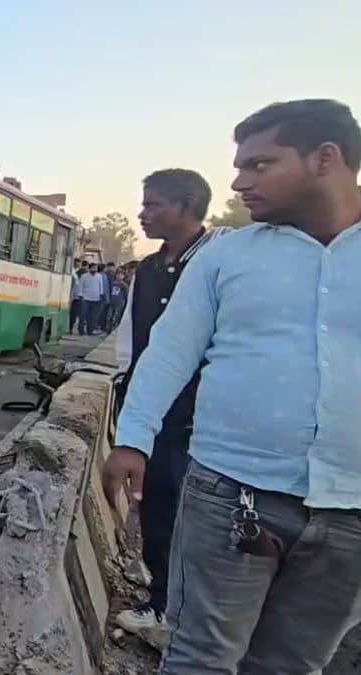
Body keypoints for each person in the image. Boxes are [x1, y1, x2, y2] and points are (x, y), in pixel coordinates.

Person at [104, 99, 361, 673]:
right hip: (232, 494)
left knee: (292, 665)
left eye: (260, 165)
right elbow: (168, 354)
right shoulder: (226, 258)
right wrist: (133, 438)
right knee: (200, 658)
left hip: (351, 514)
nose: (238, 182)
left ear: (325, 159)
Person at [109, 168, 227, 650]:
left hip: (198, 421)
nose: (144, 214)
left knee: (188, 516)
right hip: (153, 415)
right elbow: (131, 340)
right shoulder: (150, 268)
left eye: (154, 204)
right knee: (157, 508)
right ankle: (163, 598)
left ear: (186, 206)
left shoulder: (218, 261)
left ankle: (174, 612)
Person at [76, 262, 104, 335]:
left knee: (92, 316)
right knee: (83, 315)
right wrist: (80, 295)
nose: (95, 269)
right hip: (85, 298)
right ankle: (81, 330)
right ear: (89, 268)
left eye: (96, 268)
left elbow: (101, 286)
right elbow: (80, 286)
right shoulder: (84, 276)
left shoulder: (99, 276)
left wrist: (101, 294)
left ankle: (90, 330)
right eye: (93, 268)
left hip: (96, 299)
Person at [69, 267, 86, 333]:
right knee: (76, 316)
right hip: (77, 300)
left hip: (77, 300)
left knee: (74, 316)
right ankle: (72, 328)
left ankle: (73, 328)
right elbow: (73, 291)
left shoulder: (77, 281)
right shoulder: (77, 282)